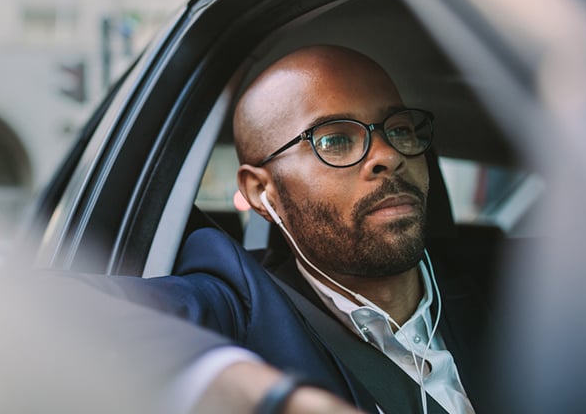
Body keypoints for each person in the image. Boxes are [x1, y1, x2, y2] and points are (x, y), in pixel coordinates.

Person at [80, 45, 488, 413]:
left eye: (398, 130)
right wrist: (262, 395)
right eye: (333, 141)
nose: (387, 155)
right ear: (261, 192)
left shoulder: (512, 288)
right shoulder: (238, 310)